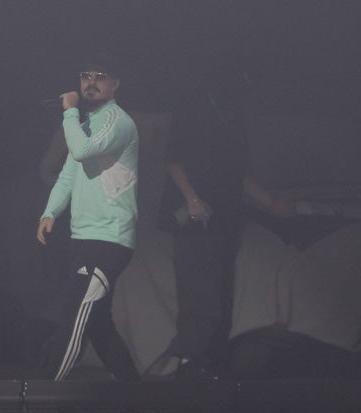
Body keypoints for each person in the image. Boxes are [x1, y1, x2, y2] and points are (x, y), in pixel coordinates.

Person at [158, 56, 295, 379]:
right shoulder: (193, 110)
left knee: (220, 301)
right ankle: (189, 371)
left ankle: (213, 369)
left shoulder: (233, 117)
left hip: (226, 221)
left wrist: (271, 202)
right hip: (195, 222)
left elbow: (238, 175)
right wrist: (191, 199)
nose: (246, 88)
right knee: (199, 301)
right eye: (242, 80)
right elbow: (174, 161)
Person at [37, 59, 141, 381]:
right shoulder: (84, 126)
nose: (90, 83)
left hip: (108, 240)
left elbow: (82, 153)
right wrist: (50, 212)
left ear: (115, 84)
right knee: (98, 326)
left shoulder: (117, 121)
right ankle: (141, 401)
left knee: (73, 322)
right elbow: (68, 176)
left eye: (100, 77)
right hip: (83, 239)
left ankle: (43, 398)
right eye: (85, 76)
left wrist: (68, 111)